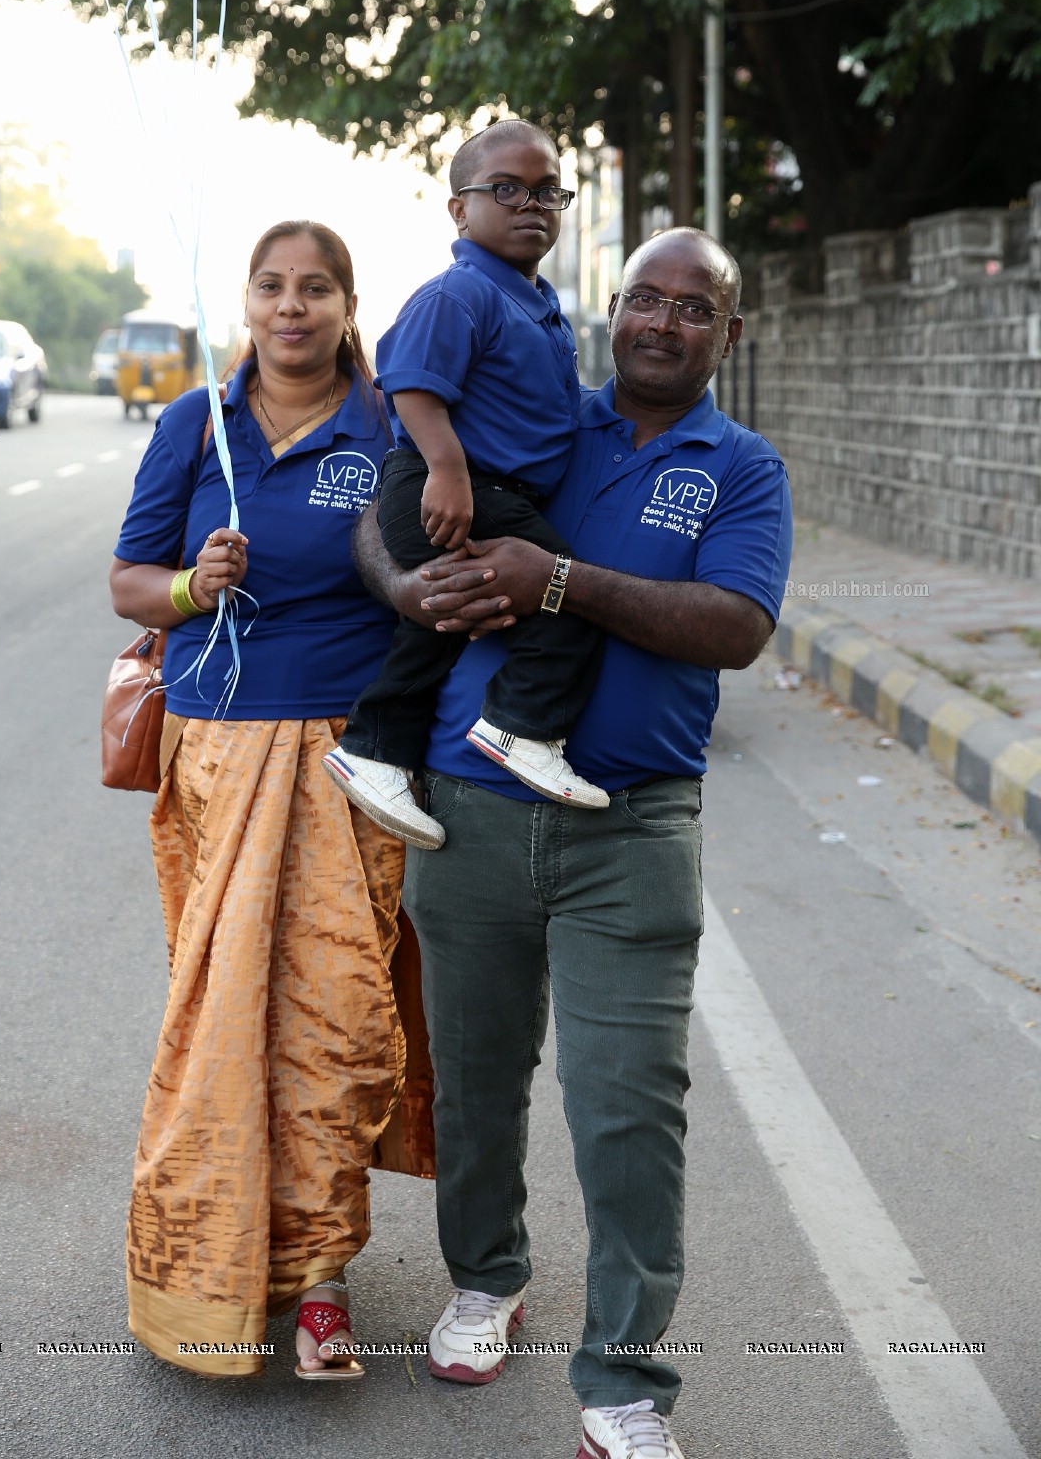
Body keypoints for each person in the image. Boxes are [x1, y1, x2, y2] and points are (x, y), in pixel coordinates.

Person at [356, 227, 793, 1459]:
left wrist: (561, 582)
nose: (661, 323)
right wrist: (402, 589)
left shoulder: (741, 467)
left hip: (633, 828)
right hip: (470, 812)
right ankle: (487, 1279)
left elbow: (734, 626)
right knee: (478, 1086)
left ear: (728, 335)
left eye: (692, 309)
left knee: (626, 1111)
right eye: (644, 300)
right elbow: (392, 497)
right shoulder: (546, 421)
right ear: (611, 312)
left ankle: (624, 1388)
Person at [108, 220, 432, 1382]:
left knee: (338, 1024)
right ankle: (206, 1272)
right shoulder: (197, 423)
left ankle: (323, 1279)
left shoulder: (394, 424)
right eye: (271, 287)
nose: (291, 307)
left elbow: (431, 576)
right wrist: (196, 585)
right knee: (227, 1018)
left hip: (354, 763)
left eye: (316, 289)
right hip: (220, 758)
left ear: (349, 305)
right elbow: (128, 581)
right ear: (246, 304)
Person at [324, 120, 607, 851]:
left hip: (483, 486)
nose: (530, 205)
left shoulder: (535, 303)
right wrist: (448, 472)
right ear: (460, 208)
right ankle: (520, 727)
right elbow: (412, 387)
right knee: (564, 598)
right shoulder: (459, 293)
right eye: (506, 189)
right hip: (449, 483)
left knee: (440, 624)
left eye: (548, 192)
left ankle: (374, 750)